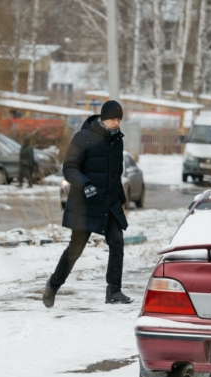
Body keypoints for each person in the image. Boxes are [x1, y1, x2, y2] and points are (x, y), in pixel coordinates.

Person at [42, 100, 132, 307]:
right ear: (103, 118)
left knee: (117, 242)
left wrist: (121, 200)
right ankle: (53, 285)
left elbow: (115, 174)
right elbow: (70, 167)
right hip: (86, 203)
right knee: (76, 248)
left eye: (119, 119)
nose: (116, 123)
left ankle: (114, 291)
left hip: (108, 203)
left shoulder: (117, 140)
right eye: (112, 119)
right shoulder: (83, 137)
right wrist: (85, 184)